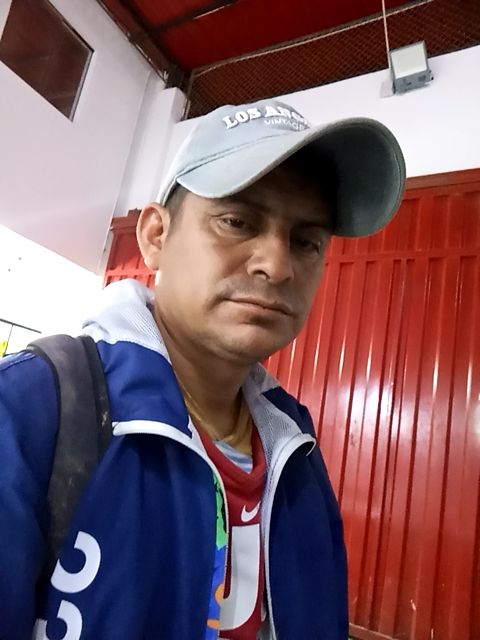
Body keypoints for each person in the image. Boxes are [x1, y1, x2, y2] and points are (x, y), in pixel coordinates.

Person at [0, 98, 405, 640]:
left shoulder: (294, 449)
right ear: (156, 236)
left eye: (306, 241)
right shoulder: (29, 411)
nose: (277, 265)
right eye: (237, 221)